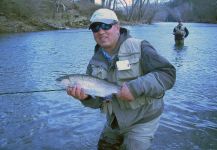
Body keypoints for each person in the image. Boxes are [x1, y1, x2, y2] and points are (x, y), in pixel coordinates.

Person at [67, 8, 176, 150]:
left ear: (117, 27)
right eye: (95, 27)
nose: (101, 31)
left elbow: (168, 74)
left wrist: (135, 88)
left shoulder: (140, 47)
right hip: (115, 121)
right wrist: (85, 98)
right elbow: (97, 103)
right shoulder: (94, 63)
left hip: (143, 119)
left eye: (106, 25)